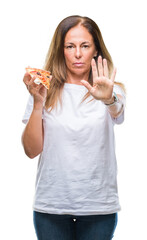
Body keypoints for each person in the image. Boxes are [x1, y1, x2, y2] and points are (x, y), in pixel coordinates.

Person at [22, 15, 125, 240]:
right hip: (51, 207)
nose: (78, 54)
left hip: (98, 207)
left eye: (85, 46)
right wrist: (38, 103)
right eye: (70, 46)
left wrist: (108, 99)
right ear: (61, 50)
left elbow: (117, 112)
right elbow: (31, 151)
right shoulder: (42, 90)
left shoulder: (111, 90)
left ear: (96, 50)